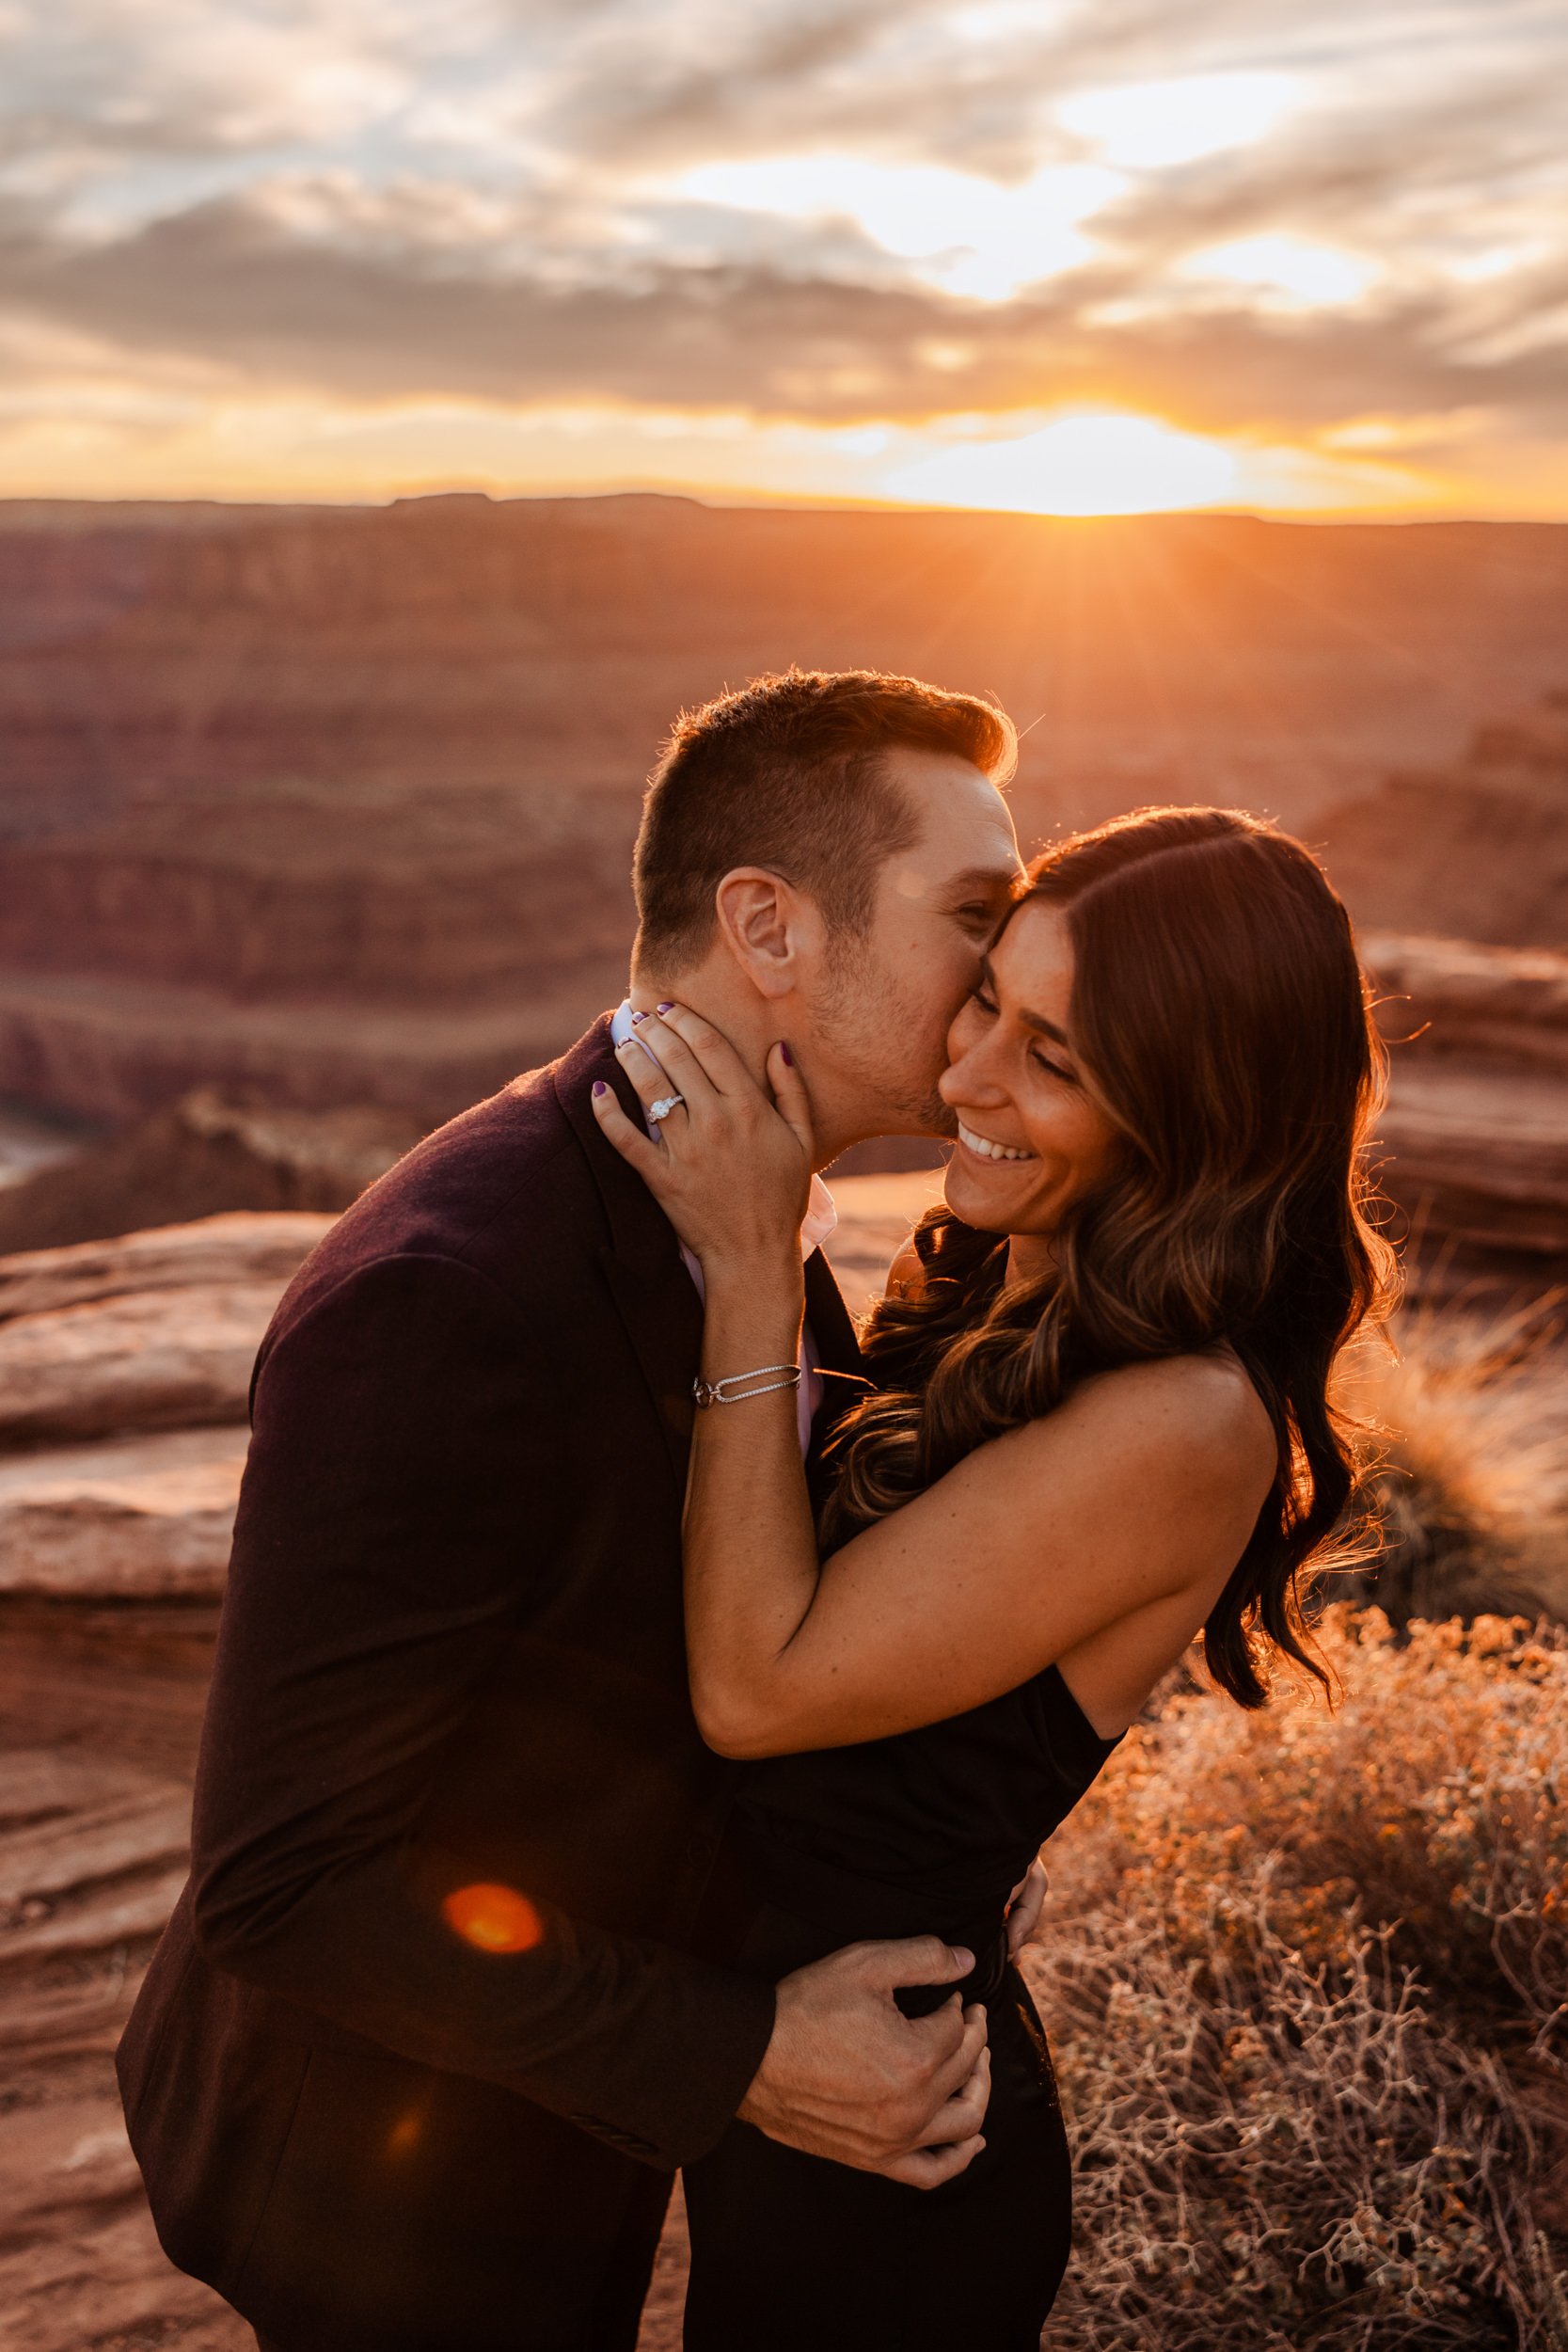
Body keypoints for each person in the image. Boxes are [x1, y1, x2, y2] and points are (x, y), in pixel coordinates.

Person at [116, 667, 1032, 2352]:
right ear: (769, 926)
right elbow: (285, 1881)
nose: (1015, 960)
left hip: (550, 2117)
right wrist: (747, 2056)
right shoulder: (450, 1297)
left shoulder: (749, 1212)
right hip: (384, 2178)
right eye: (976, 910)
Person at [593, 805, 1397, 2349]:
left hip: (906, 2171)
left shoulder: (1182, 1418)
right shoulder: (993, 1268)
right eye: (989, 1005)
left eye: (1057, 1061)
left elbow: (758, 1691)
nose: (965, 1080)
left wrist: (755, 1276)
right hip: (800, 2086)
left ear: (1196, 1118)